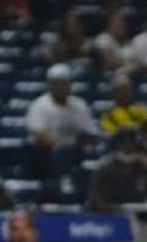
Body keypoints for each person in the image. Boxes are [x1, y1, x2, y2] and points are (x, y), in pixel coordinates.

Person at [25, 64, 96, 194]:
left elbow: (89, 133)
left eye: (64, 83)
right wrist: (60, 148)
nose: (61, 87)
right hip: (46, 155)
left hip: (74, 153)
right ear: (50, 85)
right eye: (57, 83)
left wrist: (85, 145)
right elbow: (39, 135)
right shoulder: (39, 105)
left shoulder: (79, 105)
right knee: (55, 155)